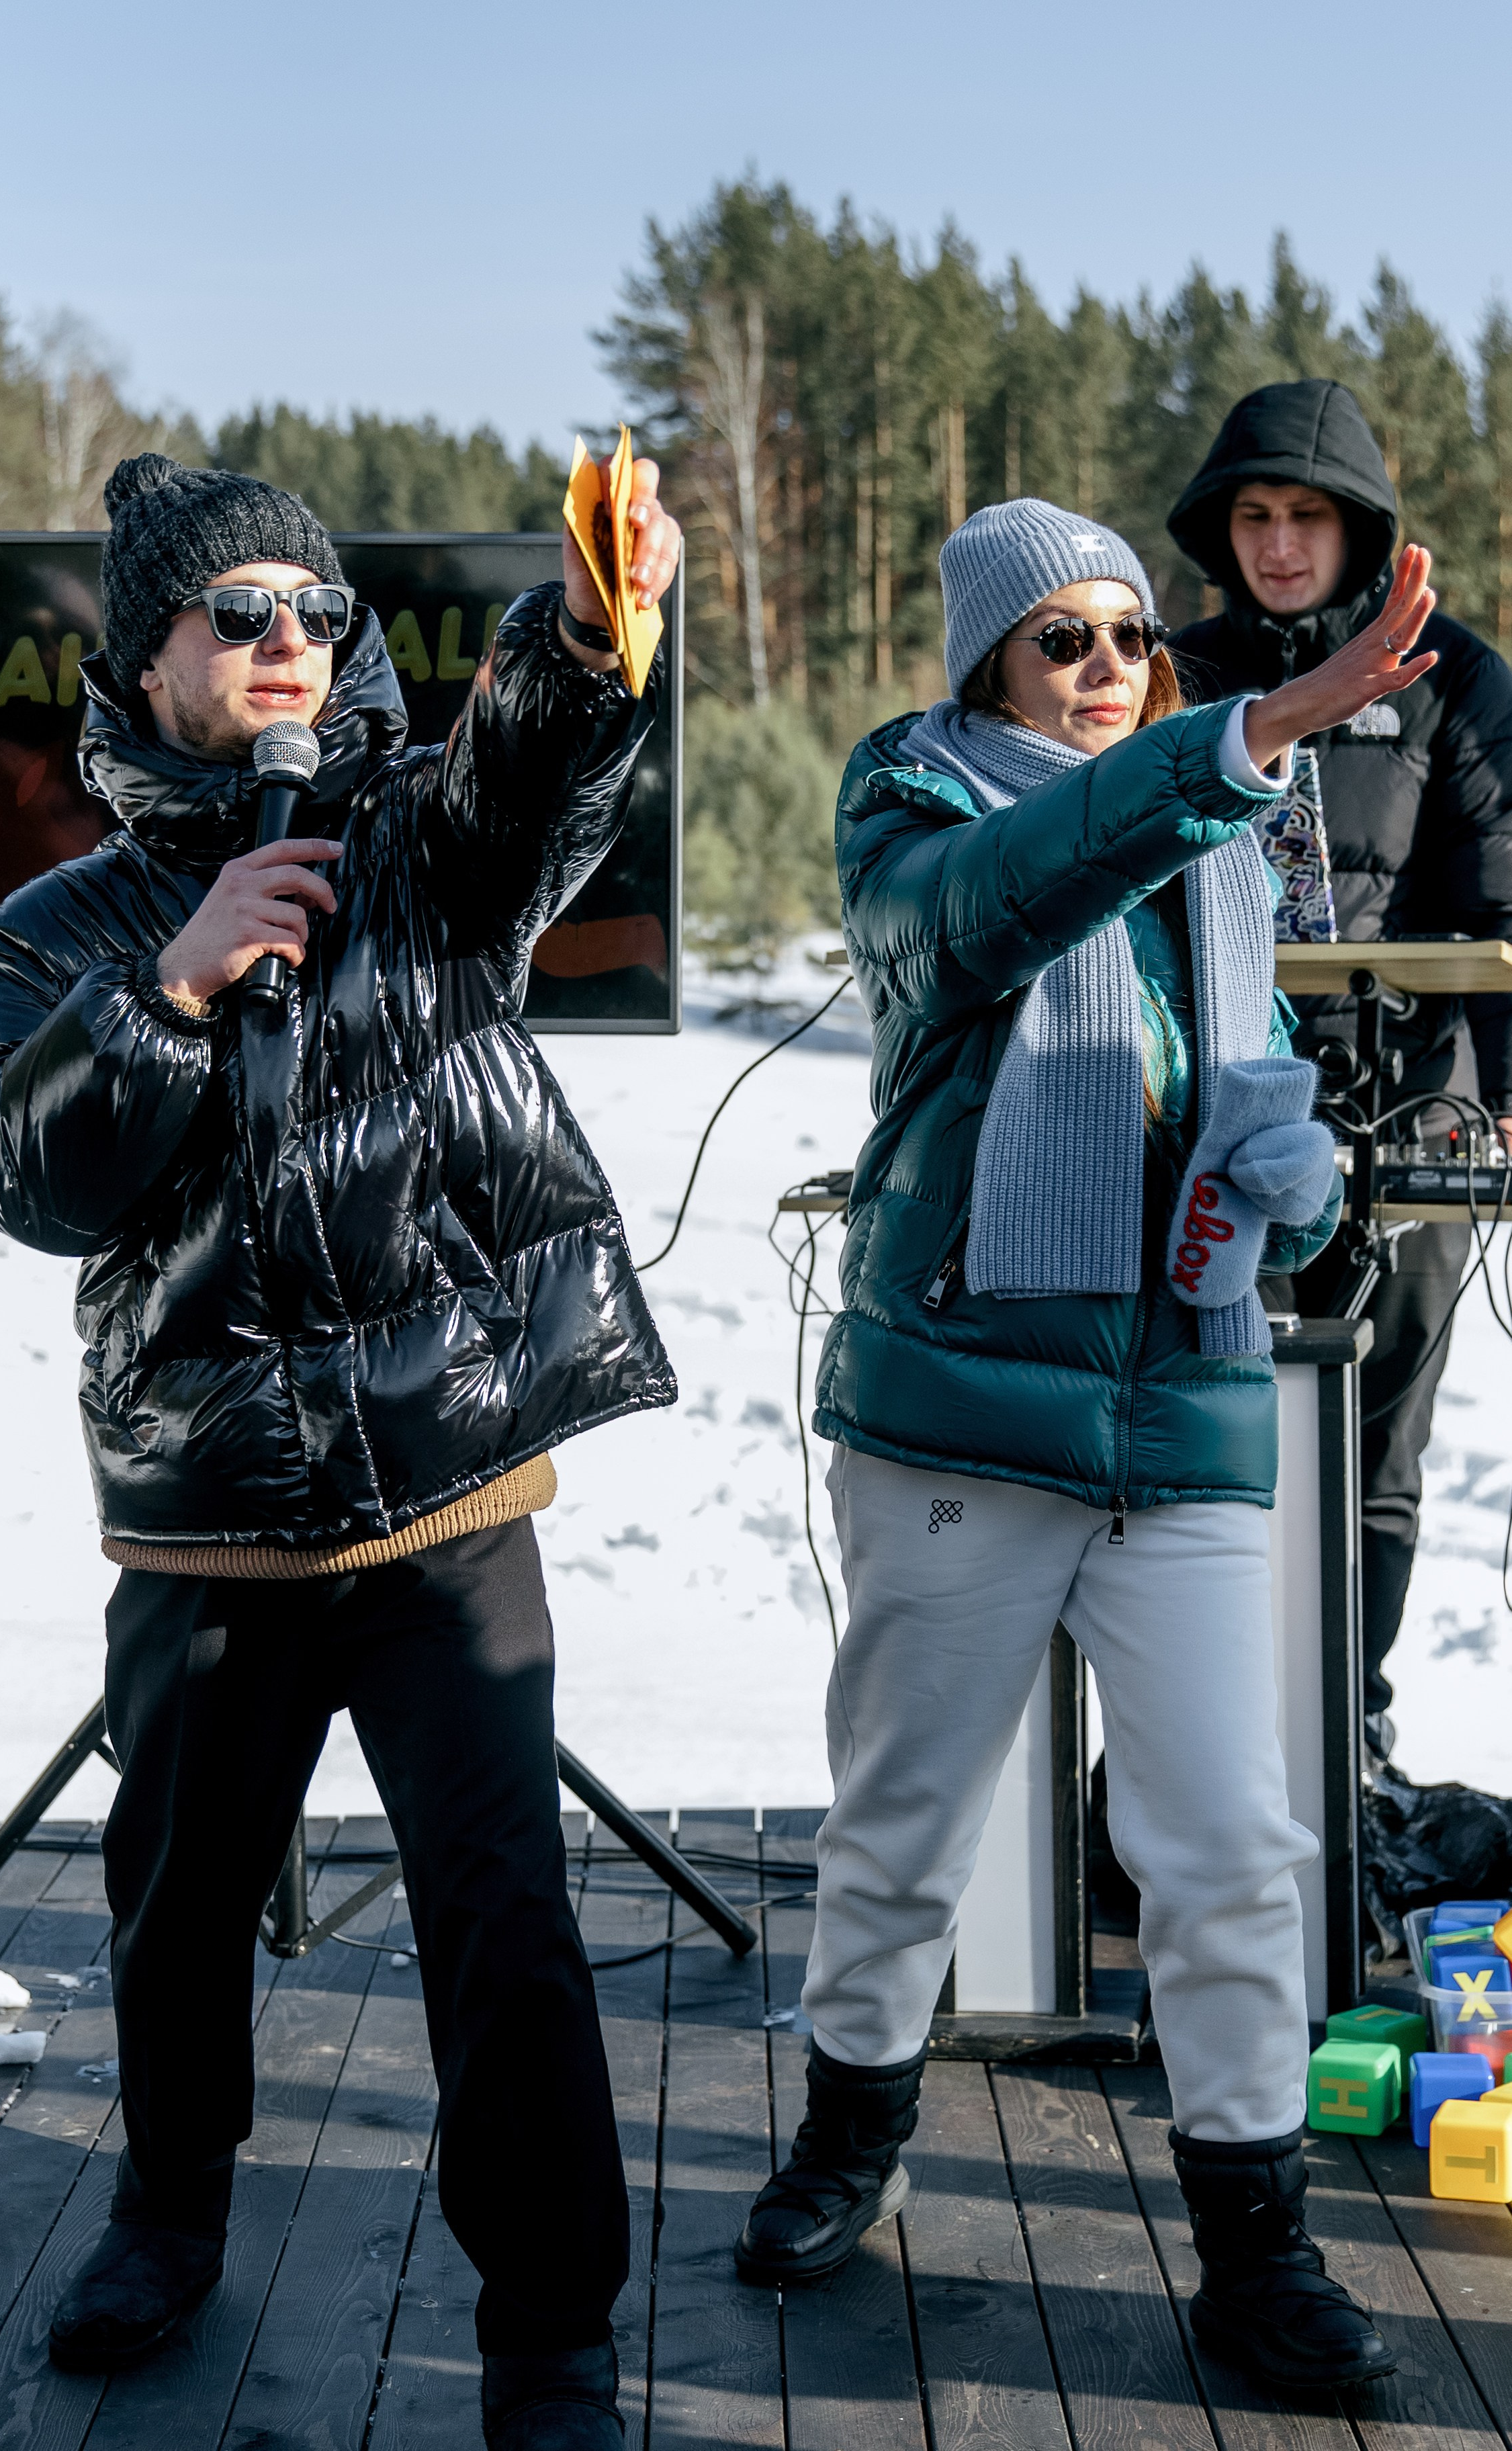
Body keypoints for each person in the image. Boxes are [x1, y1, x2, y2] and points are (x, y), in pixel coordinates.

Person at [0, 450, 682, 2450]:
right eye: (237, 614)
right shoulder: (52, 927)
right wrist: (172, 987)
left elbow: (532, 770)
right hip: (204, 1525)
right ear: (151, 656)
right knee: (178, 1922)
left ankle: (546, 2338)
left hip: (445, 1506)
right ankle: (170, 2218)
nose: (286, 644)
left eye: (314, 614)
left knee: (506, 1925)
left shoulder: (420, 849)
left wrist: (595, 633)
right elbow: (27, 1180)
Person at [733, 496, 1439, 2394]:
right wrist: (1247, 744)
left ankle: (1257, 2246)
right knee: (908, 1827)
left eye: (1136, 638)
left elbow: (1238, 1087)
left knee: (1233, 1848)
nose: (1114, 668)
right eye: (1067, 641)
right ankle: (852, 2133)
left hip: (1186, 1404)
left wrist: (1287, 1195)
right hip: (968, 1400)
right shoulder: (918, 822)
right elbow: (997, 910)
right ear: (987, 666)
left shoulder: (1216, 847)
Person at [1167, 380, 1512, 1756]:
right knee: (1218, 1443)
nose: (1278, 543)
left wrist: (1502, 1095)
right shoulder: (1175, 676)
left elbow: (1504, 900)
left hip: (1409, 1118)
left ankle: (1342, 1732)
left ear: (1362, 528)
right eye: (1252, 514)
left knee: (1376, 1457)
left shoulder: (1458, 679)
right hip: (1216, 1131)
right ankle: (1206, 1741)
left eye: (1307, 514)